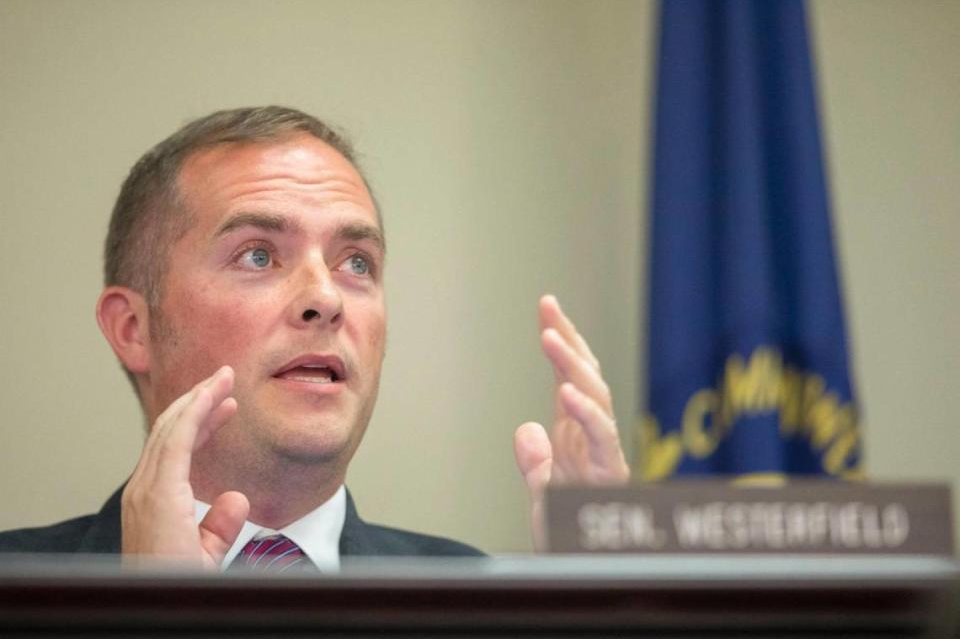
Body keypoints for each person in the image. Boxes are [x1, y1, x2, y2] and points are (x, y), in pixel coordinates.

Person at [0, 106, 629, 569]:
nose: (326, 298)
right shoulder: (18, 588)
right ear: (133, 329)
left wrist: (611, 615)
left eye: (356, 262)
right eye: (257, 256)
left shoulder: (485, 602)